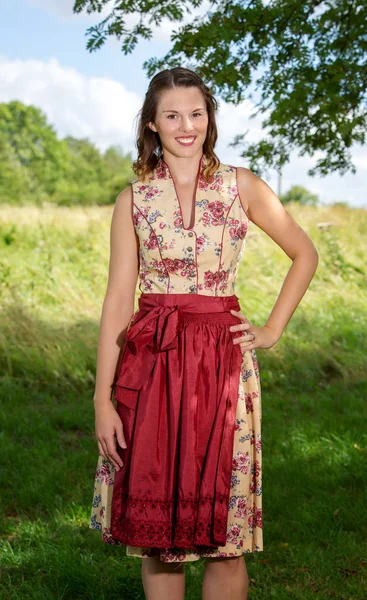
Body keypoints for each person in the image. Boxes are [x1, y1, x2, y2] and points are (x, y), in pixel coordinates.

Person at [89, 67, 319, 600]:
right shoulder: (134, 200)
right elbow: (118, 301)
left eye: (196, 113)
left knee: (226, 539)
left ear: (210, 119)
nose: (186, 125)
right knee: (161, 544)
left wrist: (272, 329)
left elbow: (304, 252)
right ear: (152, 124)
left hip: (223, 366)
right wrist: (103, 398)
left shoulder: (242, 185)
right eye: (172, 115)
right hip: (154, 365)